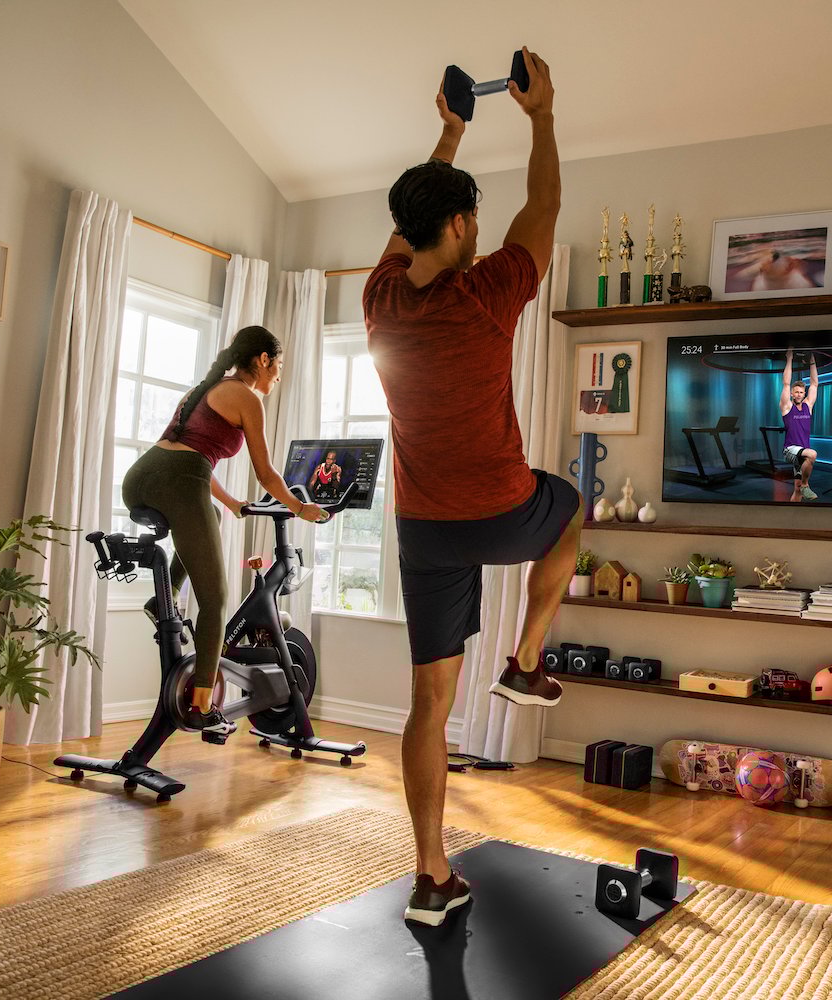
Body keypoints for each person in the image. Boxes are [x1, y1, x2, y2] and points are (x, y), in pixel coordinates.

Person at [364, 47, 581, 927]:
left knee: (428, 703)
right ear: (458, 227)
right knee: (569, 510)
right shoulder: (486, 293)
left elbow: (412, 222)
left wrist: (449, 134)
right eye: (471, 220)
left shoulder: (380, 299)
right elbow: (548, 206)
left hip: (424, 530)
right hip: (501, 512)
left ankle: (429, 873)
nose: (482, 230)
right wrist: (541, 116)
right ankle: (528, 662)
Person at [119, 325, 327, 735]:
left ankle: (156, 601)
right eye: (278, 365)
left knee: (210, 517)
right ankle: (201, 706)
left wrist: (230, 503)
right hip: (180, 480)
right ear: (263, 360)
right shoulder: (247, 398)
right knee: (215, 598)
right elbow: (266, 474)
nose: (279, 376)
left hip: (141, 477)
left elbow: (188, 453)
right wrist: (300, 508)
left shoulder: (204, 389)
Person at [780, 347, 819, 501]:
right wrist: (789, 358)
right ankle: (805, 485)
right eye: (796, 392)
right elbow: (785, 383)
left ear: (804, 394)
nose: (798, 394)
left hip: (802, 454)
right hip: (790, 450)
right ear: (792, 393)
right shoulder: (787, 407)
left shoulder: (808, 407)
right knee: (812, 454)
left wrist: (812, 361)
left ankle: (794, 512)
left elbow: (814, 384)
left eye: (801, 392)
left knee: (796, 490)